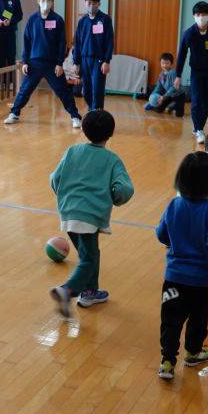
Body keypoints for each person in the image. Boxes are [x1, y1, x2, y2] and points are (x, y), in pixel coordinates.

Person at [155, 152, 208, 381]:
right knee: (199, 318)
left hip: (174, 278)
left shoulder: (174, 204)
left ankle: (167, 362)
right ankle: (192, 353)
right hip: (203, 281)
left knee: (170, 320)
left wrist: (175, 242)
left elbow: (161, 234)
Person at [48, 110, 134, 317]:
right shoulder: (112, 159)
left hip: (68, 212)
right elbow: (124, 189)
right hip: (90, 216)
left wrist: (66, 198)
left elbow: (54, 179)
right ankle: (67, 290)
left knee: (89, 254)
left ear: (84, 131)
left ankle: (90, 292)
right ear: (110, 133)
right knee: (88, 259)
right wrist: (115, 198)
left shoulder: (72, 151)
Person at [5, 0, 82, 128]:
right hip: (34, 63)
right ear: (38, 1)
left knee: (63, 91)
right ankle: (14, 113)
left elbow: (62, 43)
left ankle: (75, 116)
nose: (45, 2)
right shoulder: (32, 19)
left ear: (52, 1)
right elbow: (27, 41)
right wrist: (25, 61)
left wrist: (60, 63)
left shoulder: (58, 20)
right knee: (25, 90)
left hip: (52, 64)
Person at [175, 1, 208, 144]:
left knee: (207, 101)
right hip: (196, 71)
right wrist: (178, 75)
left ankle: (199, 127)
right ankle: (199, 129)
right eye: (198, 14)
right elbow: (182, 55)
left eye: (204, 14)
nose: (201, 17)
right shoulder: (189, 33)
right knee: (196, 99)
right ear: (194, 16)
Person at [72, 0, 114, 112]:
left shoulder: (105, 19)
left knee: (97, 90)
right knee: (86, 91)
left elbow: (109, 41)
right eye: (89, 3)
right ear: (85, 3)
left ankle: (97, 113)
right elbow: (77, 43)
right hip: (85, 60)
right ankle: (92, 110)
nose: (91, 5)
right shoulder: (82, 21)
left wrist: (107, 61)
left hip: (99, 60)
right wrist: (76, 62)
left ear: (99, 4)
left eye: (94, 3)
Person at [144, 53, 186, 117]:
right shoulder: (161, 75)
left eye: (167, 63)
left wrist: (163, 97)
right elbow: (158, 87)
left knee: (179, 115)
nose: (164, 65)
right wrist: (151, 97)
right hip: (169, 95)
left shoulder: (173, 72)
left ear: (171, 63)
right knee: (158, 110)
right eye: (162, 63)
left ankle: (172, 107)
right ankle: (155, 106)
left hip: (179, 95)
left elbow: (173, 87)